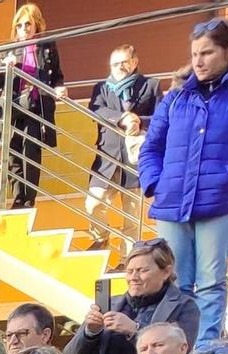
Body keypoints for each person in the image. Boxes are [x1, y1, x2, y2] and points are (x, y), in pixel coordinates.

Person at [142, 20, 228, 350]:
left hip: (222, 200)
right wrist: (154, 181)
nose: (198, 60)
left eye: (207, 52)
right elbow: (152, 146)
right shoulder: (177, 94)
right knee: (176, 283)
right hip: (171, 203)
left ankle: (204, 353)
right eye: (195, 53)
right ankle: (176, 352)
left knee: (211, 282)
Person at [69, 240, 202, 354]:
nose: (133, 277)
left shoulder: (184, 306)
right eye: (130, 271)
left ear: (166, 271)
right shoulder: (111, 303)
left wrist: (135, 330)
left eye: (142, 271)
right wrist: (90, 332)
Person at [81, 46, 161, 254]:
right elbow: (96, 111)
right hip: (107, 158)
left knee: (132, 216)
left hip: (134, 159)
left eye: (124, 62)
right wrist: (121, 118)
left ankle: (127, 260)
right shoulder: (102, 87)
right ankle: (101, 237)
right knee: (93, 203)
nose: (120, 67)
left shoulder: (151, 85)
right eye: (115, 64)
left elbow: (162, 119)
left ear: (134, 62)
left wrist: (139, 121)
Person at [0, 4, 65, 211]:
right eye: (20, 25)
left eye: (28, 24)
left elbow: (57, 75)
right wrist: (5, 66)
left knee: (31, 150)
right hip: (13, 106)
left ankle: (29, 197)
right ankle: (17, 197)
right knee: (13, 150)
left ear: (37, 25)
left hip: (36, 106)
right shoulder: (8, 49)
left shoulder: (46, 47)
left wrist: (60, 87)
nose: (24, 29)